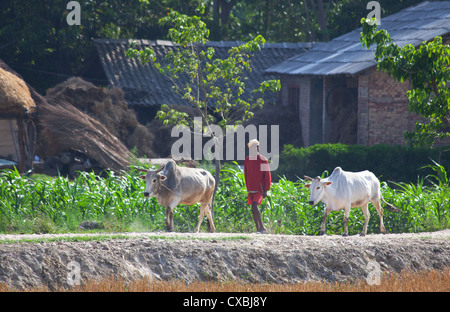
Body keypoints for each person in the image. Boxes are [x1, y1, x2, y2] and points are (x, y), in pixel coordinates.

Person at [244, 139, 271, 234]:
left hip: (260, 188)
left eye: (257, 146)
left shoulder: (263, 160)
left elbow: (267, 176)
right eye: (253, 147)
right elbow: (246, 174)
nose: (256, 148)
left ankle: (262, 228)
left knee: (255, 205)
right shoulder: (247, 160)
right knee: (252, 208)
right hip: (251, 188)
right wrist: (248, 187)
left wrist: (266, 190)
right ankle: (258, 229)